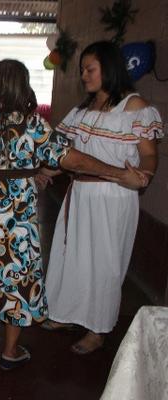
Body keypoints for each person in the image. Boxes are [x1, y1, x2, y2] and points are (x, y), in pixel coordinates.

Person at [0, 59, 149, 371]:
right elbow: (72, 159)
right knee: (16, 276)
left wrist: (35, 171)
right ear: (22, 85)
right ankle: (10, 351)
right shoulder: (30, 123)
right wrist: (117, 173)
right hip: (14, 214)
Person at [40, 41, 163, 355]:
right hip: (80, 193)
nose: (84, 75)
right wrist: (47, 172)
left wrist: (143, 175)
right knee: (72, 257)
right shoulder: (83, 109)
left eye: (89, 69)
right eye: (82, 69)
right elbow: (65, 153)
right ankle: (66, 313)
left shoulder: (134, 107)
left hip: (113, 196)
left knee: (104, 263)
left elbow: (149, 155)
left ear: (109, 68)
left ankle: (98, 328)